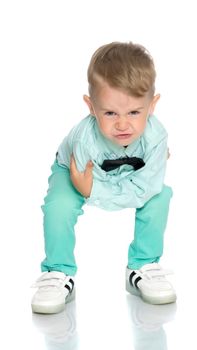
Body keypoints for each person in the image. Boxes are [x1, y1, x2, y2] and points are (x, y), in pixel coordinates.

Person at [31, 42, 176, 314]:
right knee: (58, 207)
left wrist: (96, 189)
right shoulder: (84, 139)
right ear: (91, 106)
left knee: (160, 196)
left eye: (134, 112)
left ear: (152, 105)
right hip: (75, 172)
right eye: (110, 113)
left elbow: (146, 189)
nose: (123, 124)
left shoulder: (156, 138)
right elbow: (89, 185)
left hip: (115, 180)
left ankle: (143, 265)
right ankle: (58, 271)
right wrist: (87, 189)